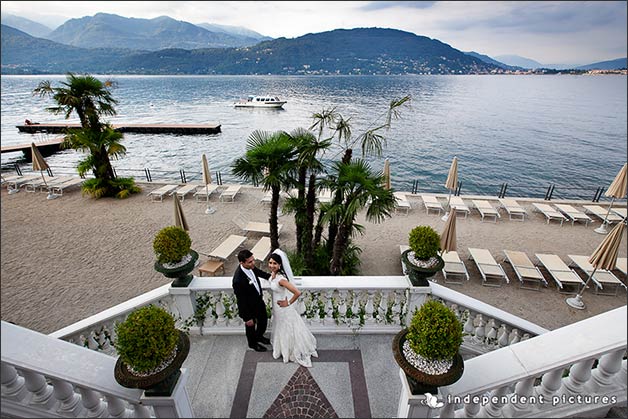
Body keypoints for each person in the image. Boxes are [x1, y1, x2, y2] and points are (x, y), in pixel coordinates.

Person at [267, 249, 318, 367]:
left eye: (275, 263)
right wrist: (273, 275)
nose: (272, 265)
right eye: (270, 263)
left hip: (283, 308)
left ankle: (288, 351)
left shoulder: (282, 280)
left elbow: (297, 292)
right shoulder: (275, 275)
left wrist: (288, 303)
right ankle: (281, 348)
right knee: (280, 325)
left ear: (280, 265)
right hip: (277, 306)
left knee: (286, 327)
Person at [232, 249, 271, 352]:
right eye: (250, 261)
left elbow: (259, 273)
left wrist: (272, 278)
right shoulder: (238, 280)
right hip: (249, 307)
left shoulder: (251, 267)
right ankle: (253, 344)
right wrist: (247, 317)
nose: (253, 263)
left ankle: (259, 336)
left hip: (258, 301)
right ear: (241, 263)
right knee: (250, 326)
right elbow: (241, 300)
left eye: (253, 260)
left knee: (263, 321)